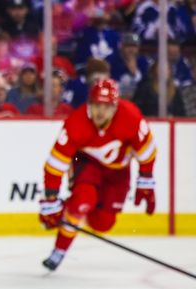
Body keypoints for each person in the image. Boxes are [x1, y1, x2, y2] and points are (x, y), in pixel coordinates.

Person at [39, 78, 156, 271]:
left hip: (118, 172)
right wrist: (50, 199)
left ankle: (74, 210)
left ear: (115, 107)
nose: (100, 112)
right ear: (89, 104)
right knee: (82, 202)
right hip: (87, 164)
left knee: (103, 223)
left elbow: (147, 152)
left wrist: (146, 181)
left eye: (106, 106)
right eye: (96, 105)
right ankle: (59, 250)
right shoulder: (76, 123)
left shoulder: (130, 117)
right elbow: (55, 164)